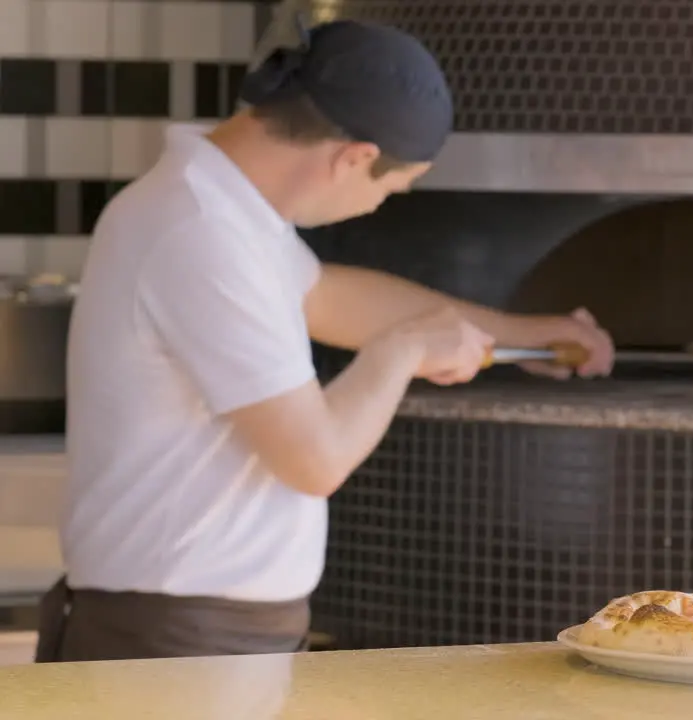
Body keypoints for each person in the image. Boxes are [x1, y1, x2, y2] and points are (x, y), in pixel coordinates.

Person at [34, 18, 615, 662]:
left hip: (203, 625)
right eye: (392, 188)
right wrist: (399, 355)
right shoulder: (199, 232)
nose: (380, 204)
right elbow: (314, 460)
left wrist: (523, 334)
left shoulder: (223, 211)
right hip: (172, 635)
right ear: (355, 158)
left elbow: (330, 299)